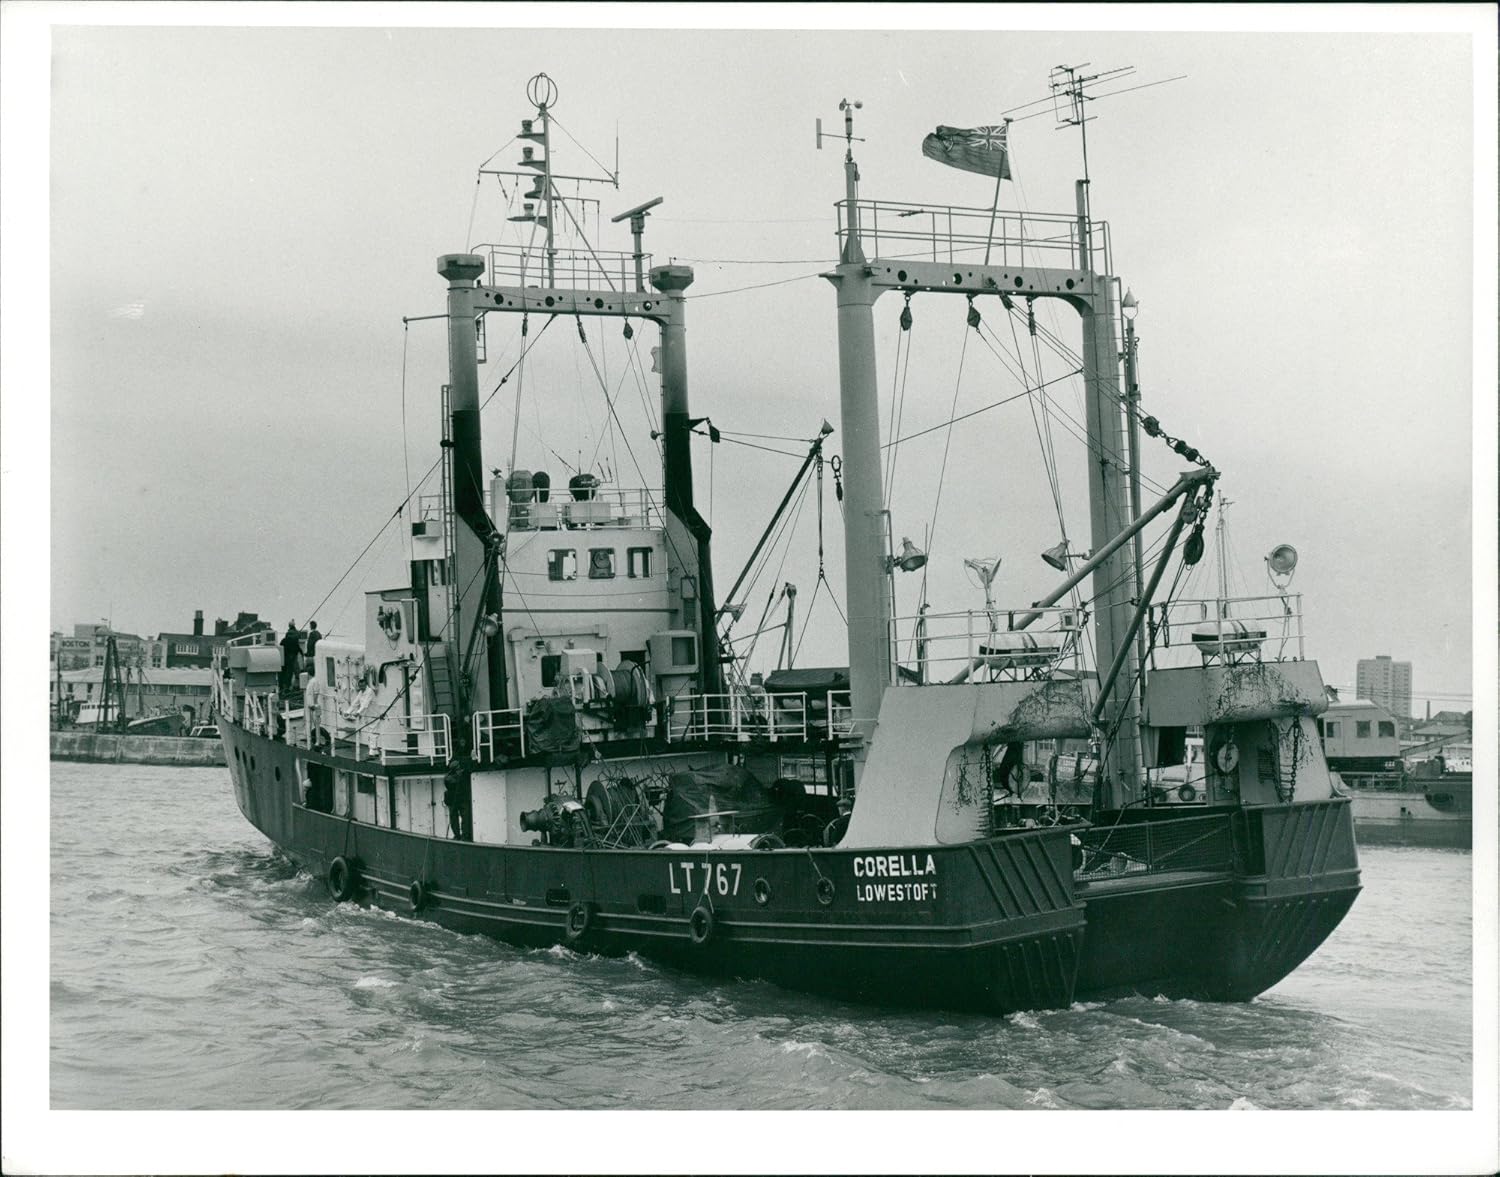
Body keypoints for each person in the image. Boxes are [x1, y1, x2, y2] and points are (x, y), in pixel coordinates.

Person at [278, 621, 301, 693]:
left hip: (288, 656)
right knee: (296, 671)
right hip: (295, 655)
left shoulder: (287, 635)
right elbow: (298, 645)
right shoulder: (297, 633)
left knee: (288, 671)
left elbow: (284, 645)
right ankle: (297, 686)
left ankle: (286, 686)